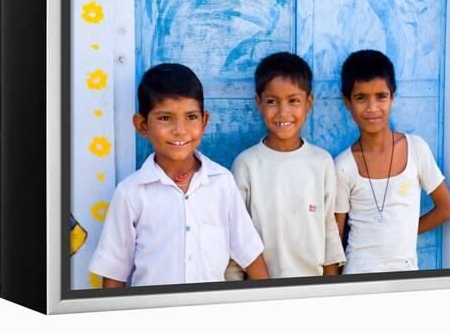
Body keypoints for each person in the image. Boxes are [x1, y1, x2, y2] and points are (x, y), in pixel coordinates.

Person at [89, 63, 269, 287]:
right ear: (142, 125)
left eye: (191, 117)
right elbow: (114, 272)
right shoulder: (130, 193)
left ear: (204, 122)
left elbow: (249, 252)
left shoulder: (221, 182)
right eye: (165, 118)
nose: (180, 129)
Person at [225, 52, 345, 280]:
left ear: (308, 103)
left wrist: (331, 289)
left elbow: (329, 228)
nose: (283, 112)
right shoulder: (246, 165)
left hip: (313, 290)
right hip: (261, 292)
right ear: (258, 103)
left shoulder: (321, 162)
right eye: (272, 101)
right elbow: (237, 236)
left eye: (293, 101)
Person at [334, 49, 450, 274]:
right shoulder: (343, 165)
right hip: (357, 276)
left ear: (393, 97)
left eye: (381, 96)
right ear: (347, 101)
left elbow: (445, 209)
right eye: (361, 98)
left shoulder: (415, 149)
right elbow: (335, 238)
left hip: (405, 277)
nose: (372, 108)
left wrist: (402, 232)